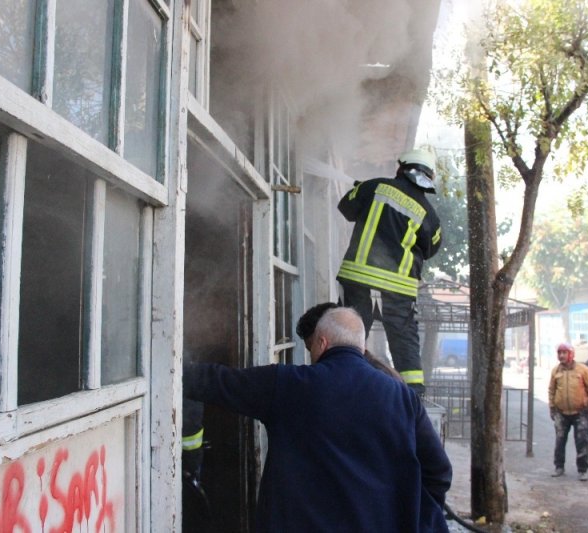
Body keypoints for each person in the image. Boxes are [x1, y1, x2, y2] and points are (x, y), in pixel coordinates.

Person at [185, 306, 453, 532]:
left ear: (322, 342)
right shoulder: (403, 398)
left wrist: (175, 364)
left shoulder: (288, 385)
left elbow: (219, 383)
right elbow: (439, 472)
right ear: (361, 346)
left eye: (311, 346)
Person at [336, 149, 442, 395]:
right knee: (404, 341)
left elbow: (345, 207)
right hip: (398, 290)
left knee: (349, 335)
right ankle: (413, 396)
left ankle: (340, 385)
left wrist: (362, 192)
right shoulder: (429, 215)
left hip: (358, 280)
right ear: (428, 178)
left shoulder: (374, 187)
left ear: (401, 168)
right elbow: (431, 248)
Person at [548, 342, 588, 481]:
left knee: (581, 441)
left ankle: (582, 470)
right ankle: (559, 467)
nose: (561, 355)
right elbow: (551, 390)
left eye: (564, 353)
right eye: (559, 353)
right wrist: (552, 408)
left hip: (580, 412)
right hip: (561, 412)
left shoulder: (583, 369)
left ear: (571, 354)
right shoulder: (556, 371)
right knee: (560, 441)